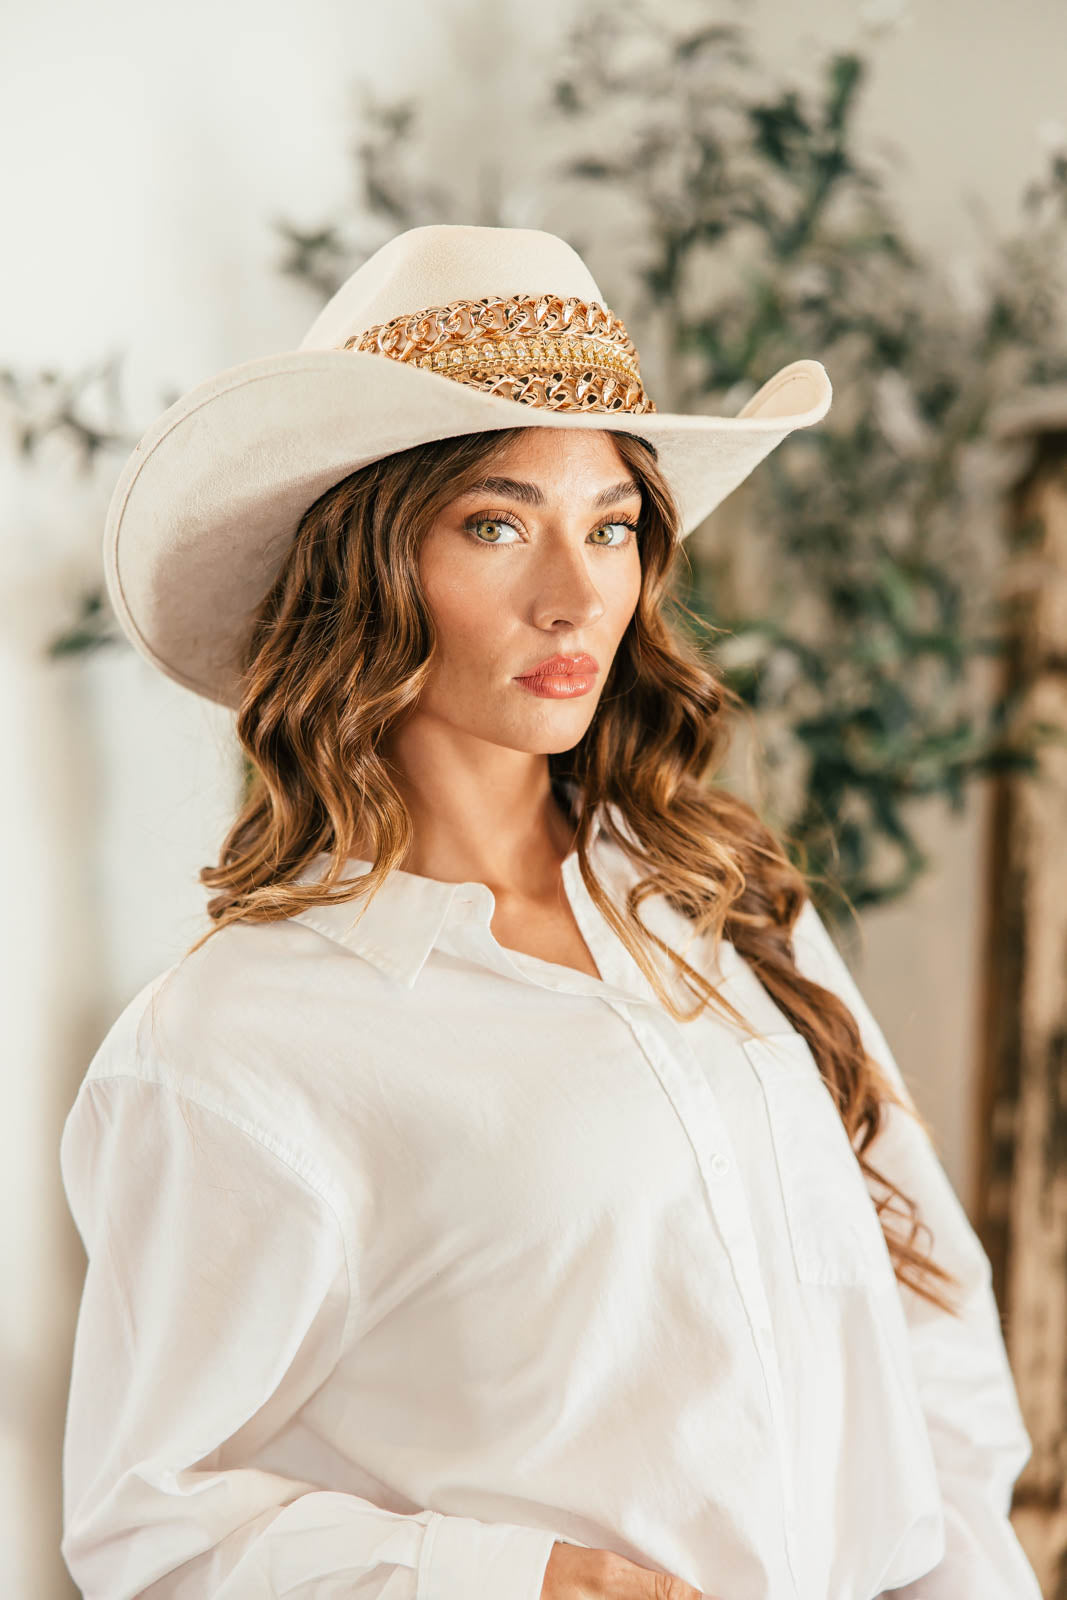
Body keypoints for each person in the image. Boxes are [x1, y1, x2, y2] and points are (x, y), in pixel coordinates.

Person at [58, 223, 1041, 1600]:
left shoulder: (720, 900)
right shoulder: (233, 1043)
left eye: (611, 527)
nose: (577, 595)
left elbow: (927, 1316)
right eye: (498, 524)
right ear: (364, 567)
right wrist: (514, 1578)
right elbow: (150, 1533)